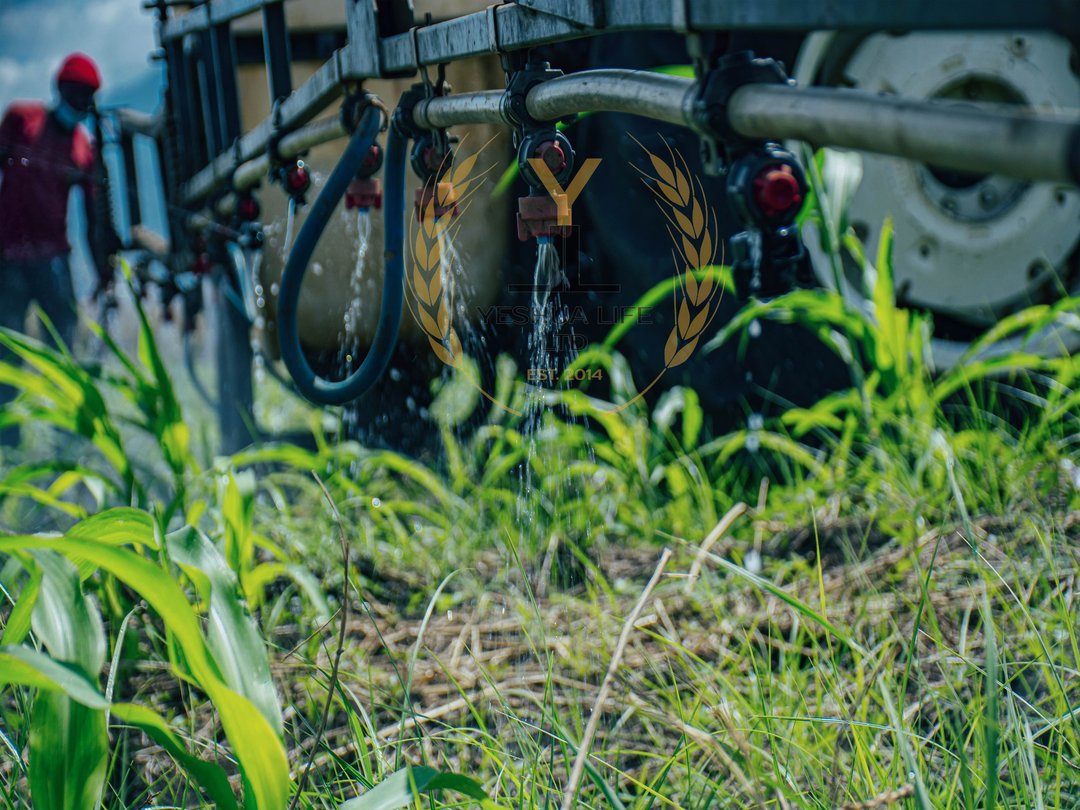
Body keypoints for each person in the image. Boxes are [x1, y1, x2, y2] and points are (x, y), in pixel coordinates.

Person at [0, 52, 116, 446]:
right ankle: (8, 448)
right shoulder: (21, 120)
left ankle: (67, 443)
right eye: (75, 94)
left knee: (65, 358)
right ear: (60, 89)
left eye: (87, 97)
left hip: (54, 265)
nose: (80, 104)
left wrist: (105, 271)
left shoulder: (84, 149)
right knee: (7, 358)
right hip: (9, 263)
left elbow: (97, 220)